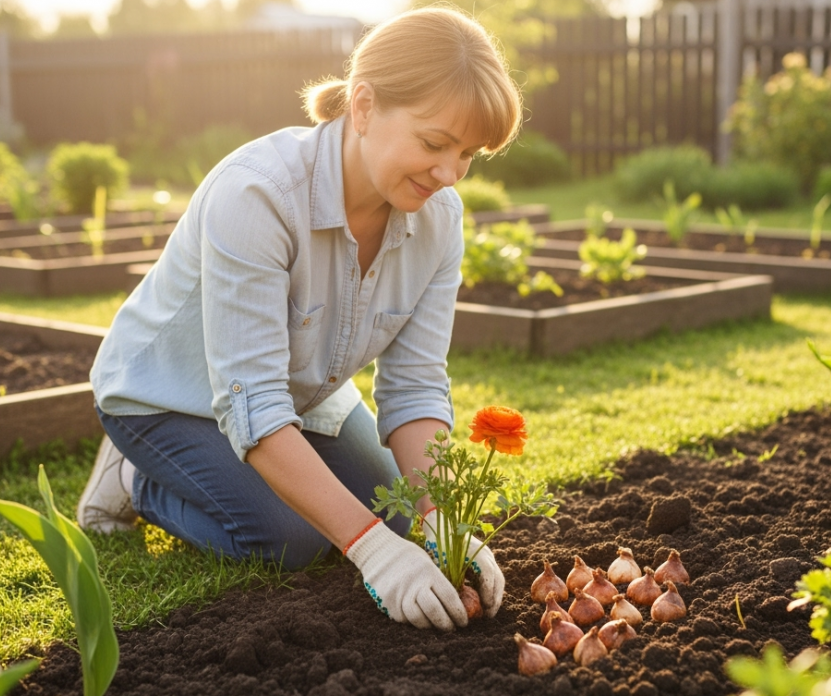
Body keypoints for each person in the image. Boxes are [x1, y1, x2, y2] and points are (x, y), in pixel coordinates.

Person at [76, 6, 522, 632]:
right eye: (433, 143)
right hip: (167, 396)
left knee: (395, 510)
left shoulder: (439, 220)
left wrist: (439, 519)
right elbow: (254, 402)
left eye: (468, 153)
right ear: (363, 107)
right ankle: (134, 479)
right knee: (294, 539)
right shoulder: (258, 195)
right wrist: (373, 552)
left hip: (302, 394)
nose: (449, 175)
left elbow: (416, 385)